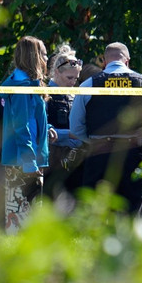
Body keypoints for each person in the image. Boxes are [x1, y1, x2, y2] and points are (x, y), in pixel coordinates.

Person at [69, 42, 142, 214]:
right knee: (132, 217)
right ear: (128, 61)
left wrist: (95, 140)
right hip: (134, 156)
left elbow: (75, 128)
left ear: (105, 62)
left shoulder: (88, 85)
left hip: (99, 156)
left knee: (95, 215)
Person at [0, 36, 51, 234]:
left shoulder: (30, 83)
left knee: (28, 221)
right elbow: (22, 126)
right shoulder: (21, 87)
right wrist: (30, 162)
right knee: (21, 225)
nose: (47, 59)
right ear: (34, 57)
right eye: (45, 55)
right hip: (24, 160)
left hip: (29, 158)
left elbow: (33, 120)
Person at [44, 45, 85, 207]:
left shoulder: (75, 95)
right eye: (69, 78)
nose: (73, 83)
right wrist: (68, 135)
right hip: (52, 158)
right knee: (50, 201)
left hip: (73, 158)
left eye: (76, 79)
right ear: (56, 72)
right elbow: (43, 126)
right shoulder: (45, 93)